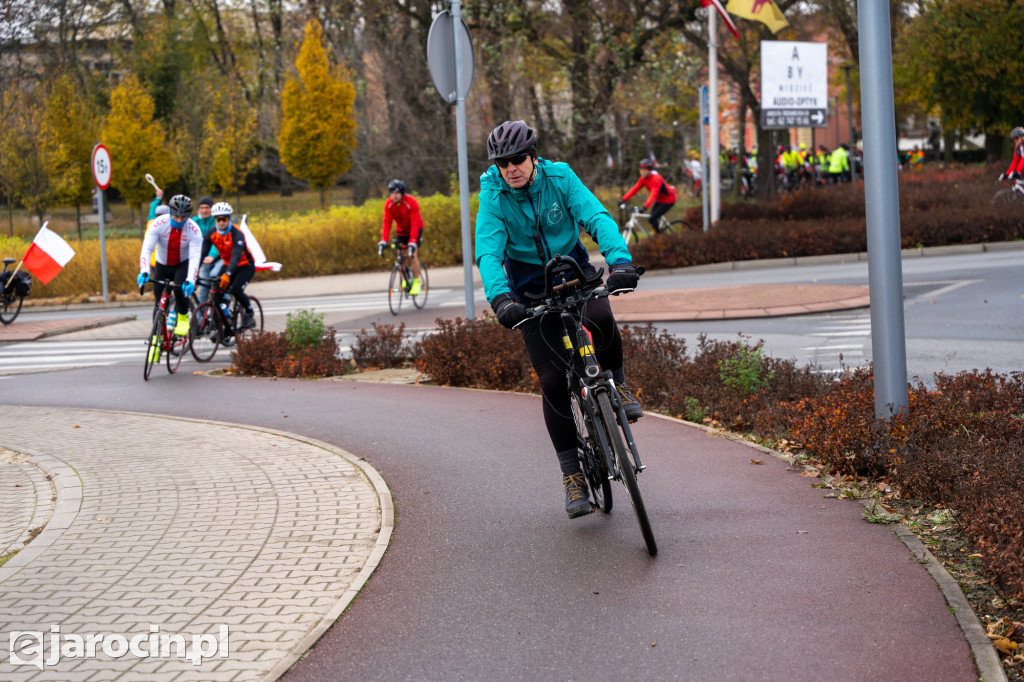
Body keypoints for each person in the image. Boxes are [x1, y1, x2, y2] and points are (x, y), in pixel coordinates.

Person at [475, 119, 643, 519]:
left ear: (533, 157)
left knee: (601, 317)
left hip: (572, 269)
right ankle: (573, 476)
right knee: (551, 380)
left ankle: (618, 386)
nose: (510, 168)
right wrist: (500, 299)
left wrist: (620, 261)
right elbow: (488, 250)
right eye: (502, 163)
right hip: (529, 288)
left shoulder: (560, 176)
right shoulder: (494, 196)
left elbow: (596, 217)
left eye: (517, 160)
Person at [138, 194, 203, 339]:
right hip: (162, 264)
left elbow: (194, 257)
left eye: (183, 218)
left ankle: (183, 317)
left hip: (182, 263)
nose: (179, 220)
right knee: (159, 302)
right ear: (170, 213)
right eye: (176, 217)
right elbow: (147, 249)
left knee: (179, 290)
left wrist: (191, 280)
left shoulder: (194, 230)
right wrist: (144, 270)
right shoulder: (158, 224)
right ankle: (156, 336)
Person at [201, 202, 257, 331]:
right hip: (228, 265)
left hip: (245, 266)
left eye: (224, 219)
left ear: (229, 219)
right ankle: (222, 323)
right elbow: (202, 254)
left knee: (236, 290)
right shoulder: (211, 233)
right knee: (215, 293)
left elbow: (236, 257)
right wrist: (192, 272)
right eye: (218, 219)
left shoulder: (237, 234)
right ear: (215, 220)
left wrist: (227, 274)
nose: (221, 222)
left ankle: (249, 313)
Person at [377, 179, 424, 296]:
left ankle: (416, 282)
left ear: (402, 193)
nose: (394, 195)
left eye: (397, 193)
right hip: (401, 231)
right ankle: (406, 276)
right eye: (392, 193)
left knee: (412, 255)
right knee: (401, 255)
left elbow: (414, 223)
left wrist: (413, 241)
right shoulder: (389, 204)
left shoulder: (411, 202)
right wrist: (384, 240)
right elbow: (387, 223)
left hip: (415, 229)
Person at [618, 158, 677, 234]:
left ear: (649, 170)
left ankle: (660, 237)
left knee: (653, 218)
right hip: (660, 200)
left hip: (669, 199)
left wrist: (644, 207)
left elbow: (653, 194)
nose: (642, 172)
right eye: (640, 169)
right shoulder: (643, 179)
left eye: (644, 170)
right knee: (651, 218)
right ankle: (658, 233)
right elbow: (634, 189)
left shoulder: (656, 179)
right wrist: (623, 199)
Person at [193, 196, 223, 305]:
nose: (204, 210)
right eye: (201, 208)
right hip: (203, 260)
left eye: (207, 207)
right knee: (202, 291)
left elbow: (218, 241)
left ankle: (225, 302)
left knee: (216, 277)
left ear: (212, 209)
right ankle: (201, 320)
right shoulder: (194, 222)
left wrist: (211, 255)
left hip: (218, 258)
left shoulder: (217, 221)